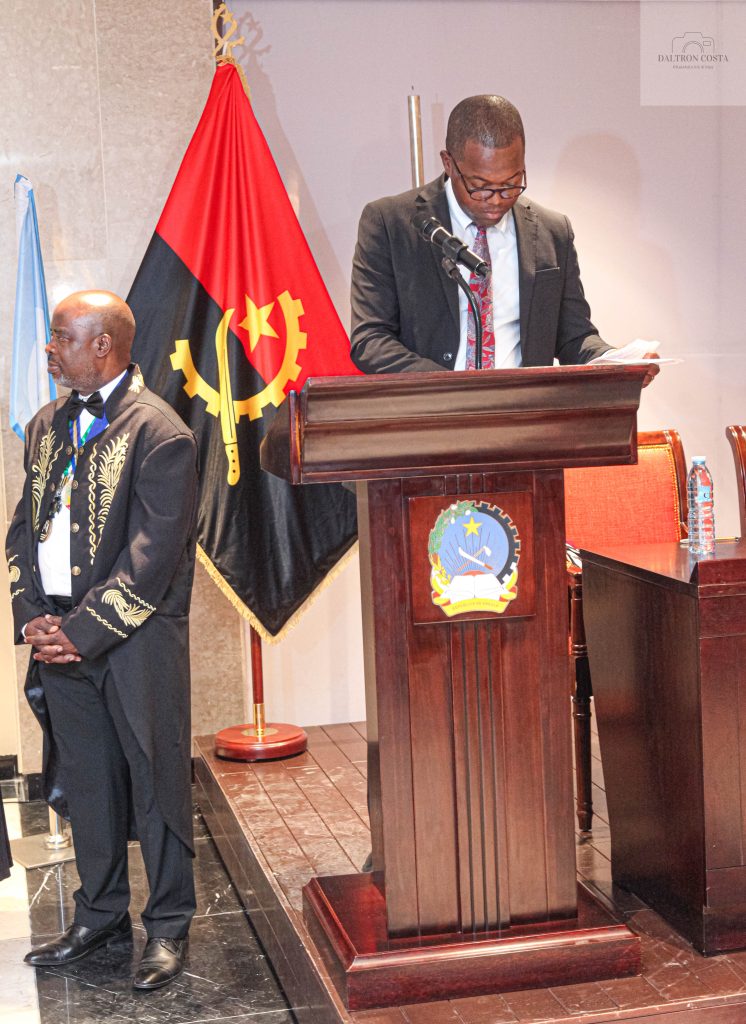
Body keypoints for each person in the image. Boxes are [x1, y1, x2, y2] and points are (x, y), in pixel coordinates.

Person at [6, 290, 199, 991]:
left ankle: (169, 924)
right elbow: (24, 529)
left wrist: (80, 633)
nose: (50, 349)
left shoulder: (161, 433)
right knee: (89, 783)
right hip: (58, 637)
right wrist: (32, 614)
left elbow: (151, 559)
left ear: (102, 346)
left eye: (62, 337)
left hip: (134, 641)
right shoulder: (46, 424)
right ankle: (100, 915)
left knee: (154, 782)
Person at [350, 94, 658, 384]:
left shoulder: (552, 231)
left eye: (511, 184)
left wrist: (614, 360)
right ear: (449, 163)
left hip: (525, 413)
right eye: (481, 186)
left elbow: (574, 336)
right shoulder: (391, 223)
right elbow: (370, 341)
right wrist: (450, 389)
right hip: (430, 413)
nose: (496, 200)